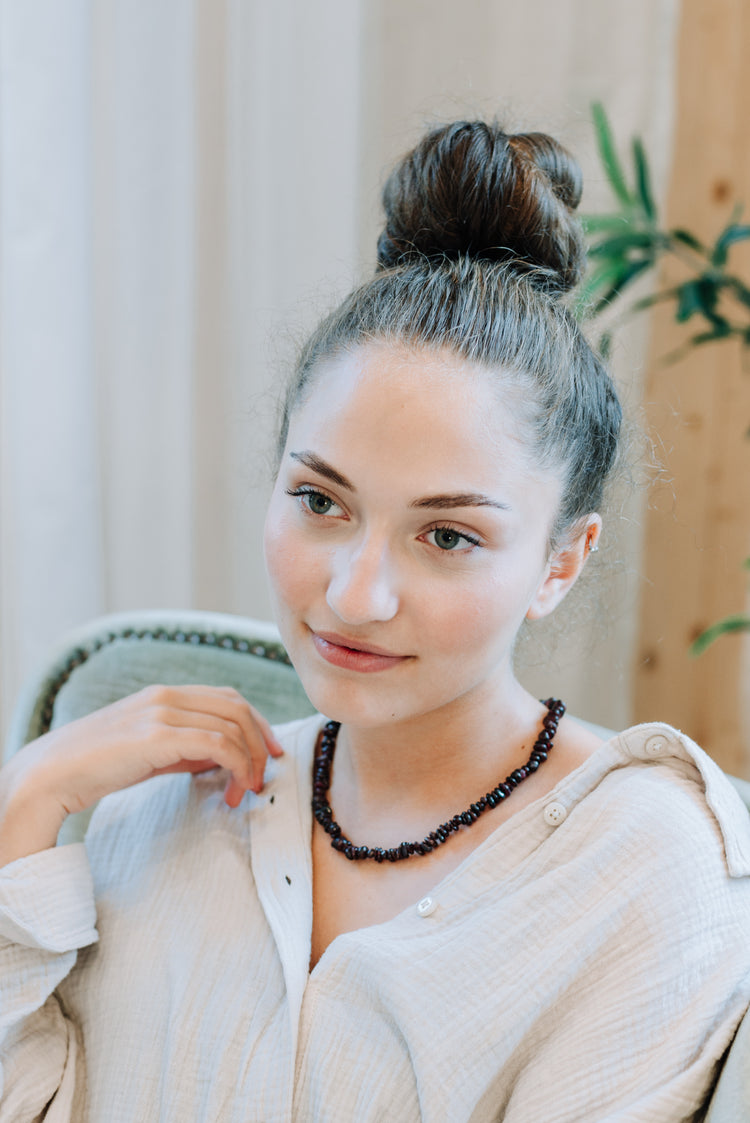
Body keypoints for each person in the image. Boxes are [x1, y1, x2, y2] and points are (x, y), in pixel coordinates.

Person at [1, 120, 749, 1123]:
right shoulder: (160, 813)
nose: (355, 595)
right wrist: (28, 798)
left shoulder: (642, 869)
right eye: (321, 500)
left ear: (560, 562)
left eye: (446, 536)